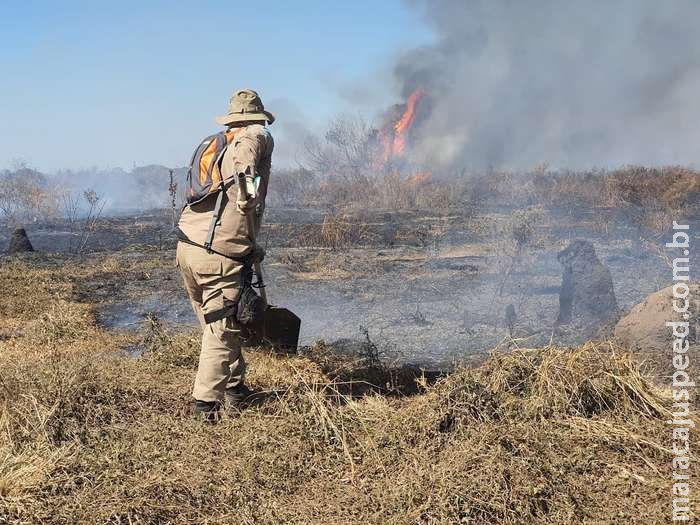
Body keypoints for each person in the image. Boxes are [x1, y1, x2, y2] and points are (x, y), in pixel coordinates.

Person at [176, 89, 274, 423]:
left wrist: (249, 244)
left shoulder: (215, 143)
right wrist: (247, 197)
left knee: (215, 320)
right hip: (218, 254)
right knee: (222, 329)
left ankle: (235, 387)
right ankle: (205, 406)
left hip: (189, 247)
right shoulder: (254, 135)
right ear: (256, 117)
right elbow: (245, 169)